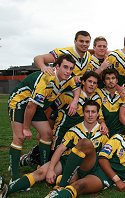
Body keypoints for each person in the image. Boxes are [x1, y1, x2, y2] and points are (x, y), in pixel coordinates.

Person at [0, 100, 109, 198]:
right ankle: (6, 190)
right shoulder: (73, 130)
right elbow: (60, 150)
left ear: (98, 114)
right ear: (83, 113)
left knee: (71, 181)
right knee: (41, 172)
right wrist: (51, 169)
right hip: (68, 160)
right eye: (87, 111)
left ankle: (60, 185)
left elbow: (105, 156)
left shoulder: (103, 133)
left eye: (93, 112)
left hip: (89, 167)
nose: (90, 115)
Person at [7, 54, 80, 182]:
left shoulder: (68, 77)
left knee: (47, 134)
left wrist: (75, 100)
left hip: (36, 106)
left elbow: (77, 87)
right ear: (57, 67)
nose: (68, 71)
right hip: (20, 102)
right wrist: (26, 128)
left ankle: (44, 167)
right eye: (65, 67)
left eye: (71, 68)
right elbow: (30, 106)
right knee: (19, 137)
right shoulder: (46, 80)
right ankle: (14, 176)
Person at [98, 68, 125, 136]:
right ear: (104, 82)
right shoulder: (98, 92)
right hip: (102, 131)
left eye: (113, 78)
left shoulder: (122, 94)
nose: (110, 81)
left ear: (117, 80)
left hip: (120, 132)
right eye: (107, 78)